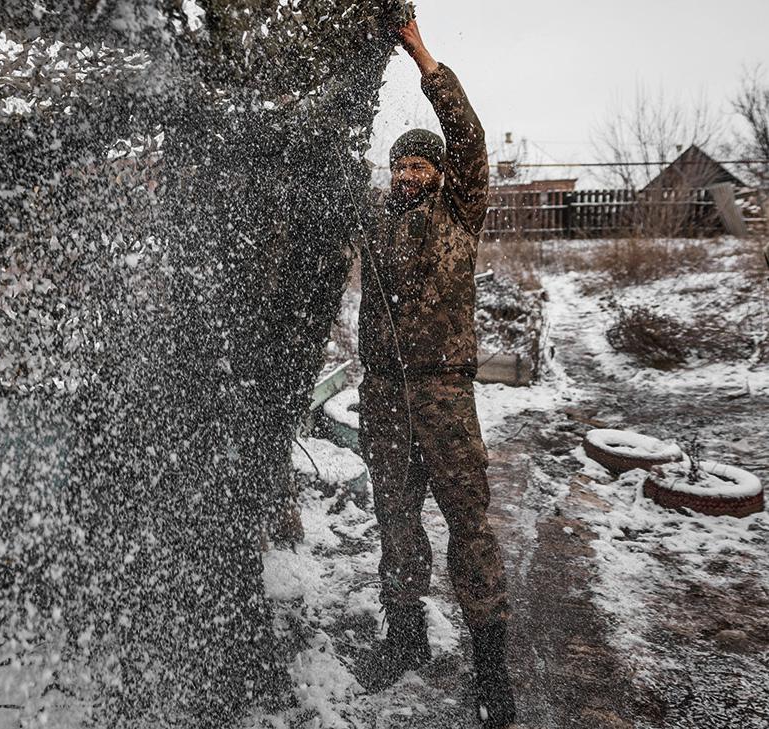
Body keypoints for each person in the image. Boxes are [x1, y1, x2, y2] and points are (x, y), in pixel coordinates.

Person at [355, 18, 516, 728]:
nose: (408, 174)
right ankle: (406, 637)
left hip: (445, 397)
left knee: (468, 525)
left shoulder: (460, 212)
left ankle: (490, 666)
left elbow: (469, 134)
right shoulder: (374, 220)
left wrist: (421, 56)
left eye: (420, 165)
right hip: (386, 398)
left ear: (442, 175)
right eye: (401, 166)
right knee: (395, 520)